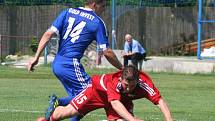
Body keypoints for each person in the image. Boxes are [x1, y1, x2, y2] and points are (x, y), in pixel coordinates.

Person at [28, 0, 123, 120]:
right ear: (94, 5)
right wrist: (122, 68)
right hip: (70, 65)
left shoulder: (67, 12)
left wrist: (36, 57)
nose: (104, 9)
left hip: (57, 63)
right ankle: (60, 102)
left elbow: (48, 34)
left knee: (80, 97)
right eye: (103, 6)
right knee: (90, 95)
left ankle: (50, 115)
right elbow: (107, 52)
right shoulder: (97, 22)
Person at [37, 65, 173, 121]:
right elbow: (114, 103)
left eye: (132, 86)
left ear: (138, 80)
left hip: (120, 101)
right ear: (121, 79)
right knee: (66, 113)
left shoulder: (144, 84)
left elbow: (160, 101)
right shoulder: (113, 81)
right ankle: (47, 118)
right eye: (126, 85)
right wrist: (132, 120)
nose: (128, 89)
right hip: (95, 93)